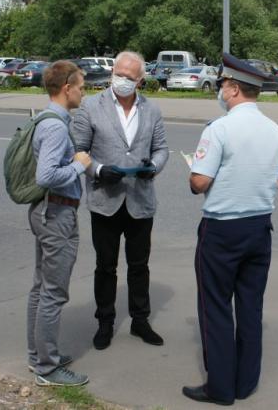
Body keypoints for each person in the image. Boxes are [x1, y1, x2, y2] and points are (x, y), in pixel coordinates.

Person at [182, 53, 278, 406]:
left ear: (232, 88)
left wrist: (193, 171)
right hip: (259, 227)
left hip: (222, 229)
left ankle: (221, 388)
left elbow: (200, 181)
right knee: (250, 307)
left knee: (215, 307)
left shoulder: (219, 128)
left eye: (223, 85)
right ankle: (245, 382)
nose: (221, 90)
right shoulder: (275, 130)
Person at [71, 51, 169, 350]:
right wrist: (99, 170)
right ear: (112, 72)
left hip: (140, 199)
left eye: (129, 77)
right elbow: (78, 150)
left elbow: (162, 148)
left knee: (139, 265)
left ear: (140, 80)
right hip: (106, 198)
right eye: (119, 74)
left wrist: (154, 166)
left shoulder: (151, 110)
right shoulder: (90, 106)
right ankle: (105, 322)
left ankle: (140, 320)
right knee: (106, 266)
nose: (122, 80)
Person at [27, 60, 92, 387]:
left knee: (41, 287)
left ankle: (38, 355)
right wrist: (79, 166)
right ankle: (48, 368)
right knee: (53, 292)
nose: (83, 91)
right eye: (80, 86)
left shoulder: (47, 118)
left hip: (47, 211)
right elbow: (47, 175)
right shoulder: (55, 126)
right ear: (66, 88)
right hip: (56, 214)